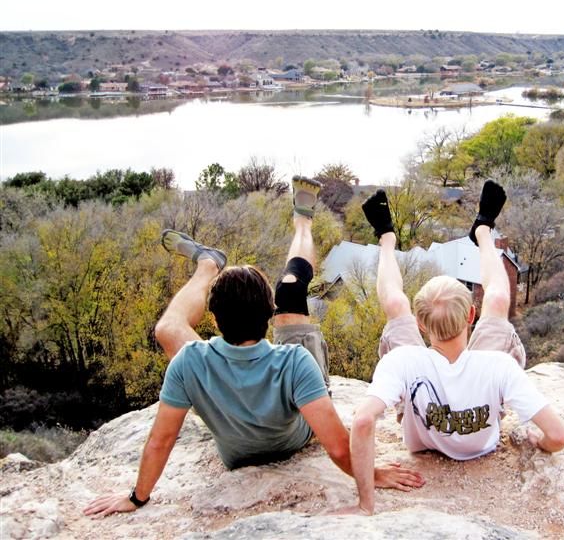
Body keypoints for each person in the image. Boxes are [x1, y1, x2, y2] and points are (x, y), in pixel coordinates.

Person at [84, 176, 422, 518]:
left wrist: (137, 498)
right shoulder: (294, 362)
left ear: (214, 322)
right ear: (270, 315)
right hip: (295, 436)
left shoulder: (189, 363)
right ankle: (254, 243)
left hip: (235, 450)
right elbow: (336, 445)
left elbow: (160, 441)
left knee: (169, 329)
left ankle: (236, 251)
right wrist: (373, 474)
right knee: (289, 290)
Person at [345, 180, 564, 515]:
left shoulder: (404, 360)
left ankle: (386, 238)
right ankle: (483, 231)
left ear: (421, 325)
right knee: (498, 296)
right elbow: (560, 437)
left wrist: (366, 504)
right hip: (483, 423)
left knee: (394, 302)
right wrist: (538, 442)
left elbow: (363, 422)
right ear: (470, 316)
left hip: (420, 437)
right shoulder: (498, 366)